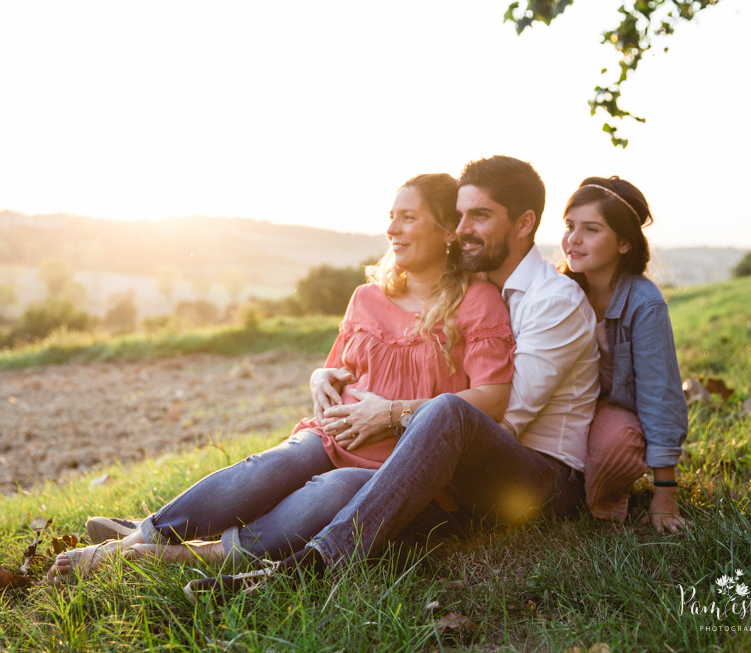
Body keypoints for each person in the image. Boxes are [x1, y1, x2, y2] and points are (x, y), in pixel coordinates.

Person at [47, 172, 516, 580]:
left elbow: (491, 398)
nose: (392, 228)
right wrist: (320, 377)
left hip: (396, 466)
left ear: (447, 231)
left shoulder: (477, 302)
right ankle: (131, 543)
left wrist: (392, 415)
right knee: (269, 467)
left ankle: (187, 555)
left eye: (408, 217)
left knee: (325, 494)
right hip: (334, 437)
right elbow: (340, 368)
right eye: (391, 215)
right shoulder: (366, 298)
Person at [185, 155, 601, 600]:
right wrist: (323, 376)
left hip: (541, 479)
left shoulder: (553, 300)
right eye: (458, 216)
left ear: (523, 224)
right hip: (472, 470)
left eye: (479, 216)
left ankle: (309, 565)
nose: (461, 229)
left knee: (446, 414)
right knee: (326, 471)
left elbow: (502, 418)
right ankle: (169, 539)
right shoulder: (476, 285)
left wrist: (391, 418)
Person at [559, 176, 688, 532]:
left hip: (614, 409)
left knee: (613, 448)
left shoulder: (645, 304)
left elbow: (659, 395)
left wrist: (665, 491)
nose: (574, 239)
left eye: (591, 229)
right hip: (563, 405)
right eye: (570, 226)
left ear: (624, 243)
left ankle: (598, 498)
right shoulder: (557, 291)